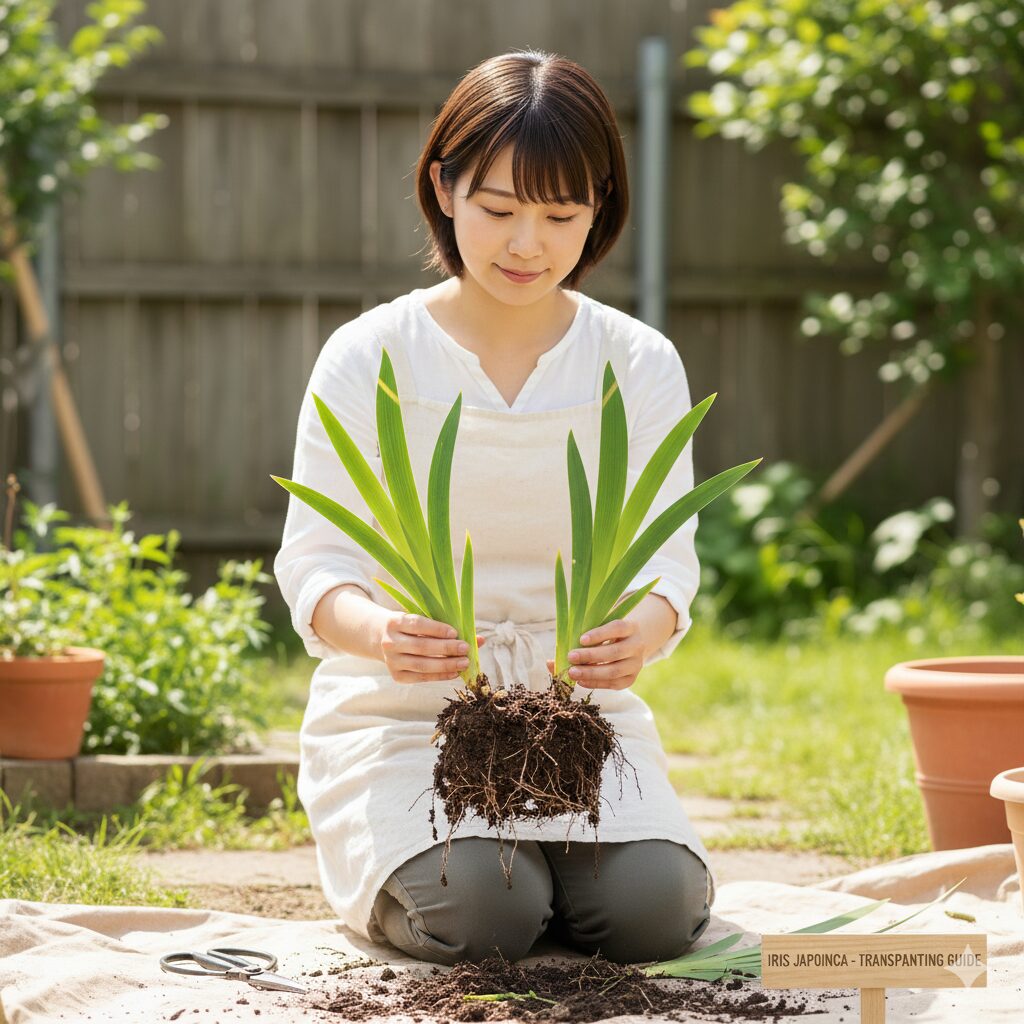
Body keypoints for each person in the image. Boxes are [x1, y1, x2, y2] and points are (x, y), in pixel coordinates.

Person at [274, 48, 716, 968]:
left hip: (576, 715)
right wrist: (381, 632)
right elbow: (314, 565)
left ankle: (568, 877)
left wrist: (646, 626)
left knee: (655, 915)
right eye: (499, 209)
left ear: (600, 204)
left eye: (561, 215)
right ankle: (476, 875)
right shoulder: (371, 357)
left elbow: (670, 557)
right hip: (406, 714)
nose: (528, 245)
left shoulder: (634, 363)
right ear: (444, 186)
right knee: (485, 912)